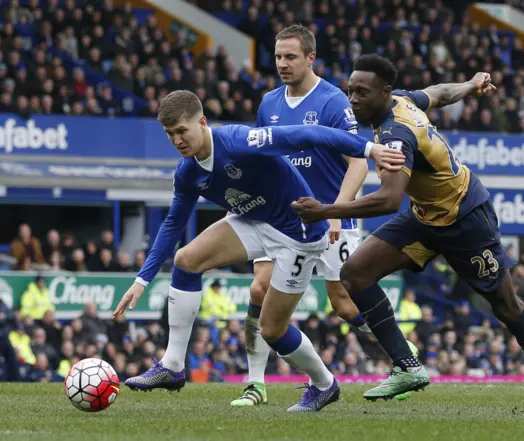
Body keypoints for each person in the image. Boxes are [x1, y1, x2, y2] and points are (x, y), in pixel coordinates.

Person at [292, 54, 524, 416]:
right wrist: (472, 85)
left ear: (384, 92)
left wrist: (326, 210)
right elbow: (440, 93)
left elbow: (388, 199)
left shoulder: (397, 133)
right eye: (350, 91)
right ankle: (407, 366)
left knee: (507, 307)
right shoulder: (403, 101)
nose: (353, 100)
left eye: (361, 93)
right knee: (356, 274)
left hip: (466, 220)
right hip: (426, 218)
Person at [112, 89, 403, 413]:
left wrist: (369, 148)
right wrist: (141, 280)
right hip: (254, 220)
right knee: (186, 260)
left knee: (272, 329)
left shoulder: (239, 141)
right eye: (170, 134)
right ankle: (173, 365)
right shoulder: (188, 172)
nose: (177, 140)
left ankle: (324, 384)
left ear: (202, 123)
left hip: (299, 232)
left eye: (182, 131)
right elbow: (172, 224)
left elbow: (310, 134)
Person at [231, 24, 402, 407]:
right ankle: (255, 384)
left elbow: (358, 161)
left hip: (329, 217)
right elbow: (262, 158)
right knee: (259, 287)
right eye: (278, 57)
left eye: (291, 56)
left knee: (342, 303)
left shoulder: (332, 101)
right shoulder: (268, 104)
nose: (282, 64)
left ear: (311, 57)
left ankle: (403, 357)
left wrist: (339, 211)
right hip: (280, 217)